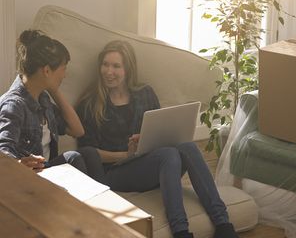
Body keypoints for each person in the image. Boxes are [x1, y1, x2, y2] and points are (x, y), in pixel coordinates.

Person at [76, 40, 239, 238]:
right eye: (105, 64)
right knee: (169, 155)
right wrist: (126, 154)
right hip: (114, 172)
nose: (108, 71)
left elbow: (159, 130)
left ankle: (223, 226)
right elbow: (87, 153)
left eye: (116, 66)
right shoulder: (89, 103)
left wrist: (150, 142)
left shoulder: (144, 94)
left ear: (128, 69)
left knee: (187, 147)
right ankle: (181, 232)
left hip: (150, 165)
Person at [0, 29, 100, 174]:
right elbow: (3, 153)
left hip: (47, 170)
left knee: (89, 153)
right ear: (47, 71)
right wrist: (20, 163)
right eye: (63, 69)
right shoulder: (14, 105)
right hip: (27, 179)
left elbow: (77, 130)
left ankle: (103, 196)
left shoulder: (43, 99)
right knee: (73, 157)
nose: (64, 75)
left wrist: (54, 89)